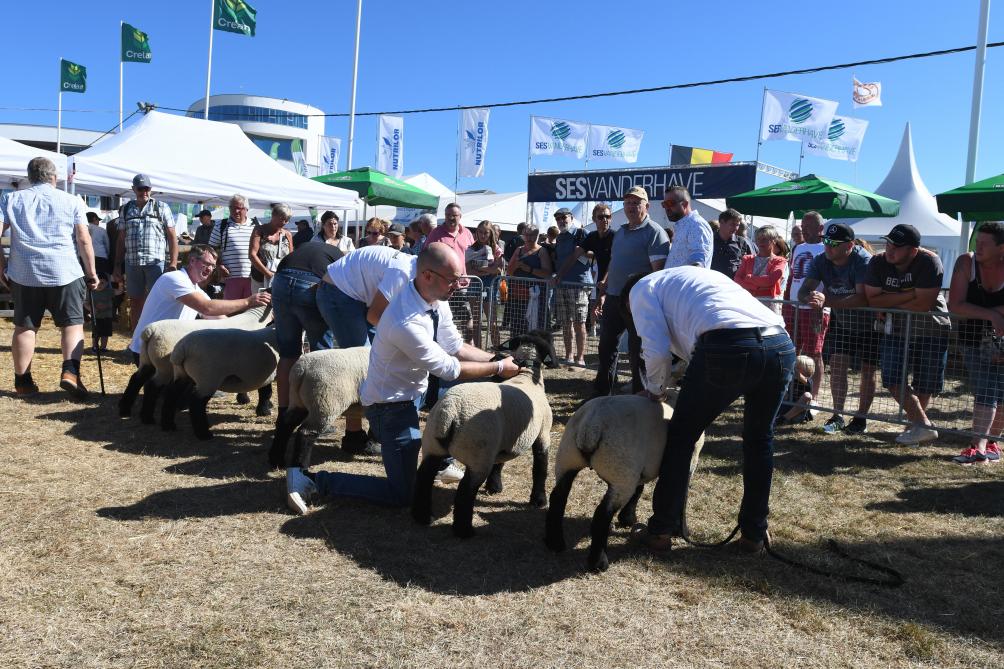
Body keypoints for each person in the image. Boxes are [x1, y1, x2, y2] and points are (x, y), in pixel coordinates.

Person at [285, 243, 522, 513]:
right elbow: (448, 368)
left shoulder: (434, 300)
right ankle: (315, 480)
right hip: (389, 408)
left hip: (409, 397)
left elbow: (455, 346)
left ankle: (439, 464)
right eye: (453, 279)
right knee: (403, 494)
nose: (459, 286)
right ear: (428, 276)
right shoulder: (404, 320)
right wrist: (499, 368)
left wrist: (496, 358)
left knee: (419, 461)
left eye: (460, 279)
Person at [626, 266, 795, 554]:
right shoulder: (697, 277)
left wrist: (656, 390)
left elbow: (655, 350)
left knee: (681, 437)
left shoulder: (641, 288)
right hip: (779, 343)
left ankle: (662, 530)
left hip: (727, 345)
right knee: (759, 441)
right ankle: (754, 533)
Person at [0, 157, 98, 398]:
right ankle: (70, 372)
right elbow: (84, 240)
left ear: (29, 177)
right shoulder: (71, 200)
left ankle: (23, 382)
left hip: (25, 273)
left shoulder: (10, 199)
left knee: (25, 327)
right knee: (72, 324)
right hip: (64, 271)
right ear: (54, 178)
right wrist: (92, 273)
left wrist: (1, 267)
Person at [864, 224, 951, 446]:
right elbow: (872, 300)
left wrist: (890, 298)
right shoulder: (878, 261)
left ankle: (915, 428)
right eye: (889, 244)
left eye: (897, 247)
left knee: (925, 382)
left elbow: (923, 305)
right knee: (892, 378)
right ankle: (923, 425)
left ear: (913, 250)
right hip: (898, 328)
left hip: (932, 327)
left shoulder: (929, 261)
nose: (890, 250)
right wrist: (910, 294)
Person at [798, 223, 878, 435]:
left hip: (871, 324)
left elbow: (863, 298)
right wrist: (812, 298)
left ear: (850, 245)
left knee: (868, 371)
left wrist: (826, 300)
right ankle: (838, 415)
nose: (828, 247)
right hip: (843, 322)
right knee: (838, 365)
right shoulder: (821, 260)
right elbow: (802, 292)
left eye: (833, 244)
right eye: (826, 242)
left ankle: (861, 418)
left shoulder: (862, 260)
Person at [128, 244, 271, 361]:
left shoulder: (196, 290)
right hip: (147, 352)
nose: (209, 269)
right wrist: (248, 302)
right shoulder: (173, 278)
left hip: (166, 350)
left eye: (213, 266)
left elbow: (219, 318)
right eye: (206, 263)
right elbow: (207, 308)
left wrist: (246, 334)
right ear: (191, 261)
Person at [592, 186, 669, 397]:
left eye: (636, 202)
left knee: (638, 352)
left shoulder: (655, 233)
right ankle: (602, 393)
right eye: (627, 203)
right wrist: (603, 292)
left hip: (639, 302)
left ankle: (640, 396)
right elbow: (615, 263)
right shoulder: (621, 232)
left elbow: (658, 274)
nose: (631, 207)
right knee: (606, 347)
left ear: (647, 205)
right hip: (614, 298)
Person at [270, 238, 345, 432]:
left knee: (288, 353)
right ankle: (318, 416)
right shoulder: (340, 256)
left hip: (281, 280)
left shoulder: (304, 249)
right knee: (320, 355)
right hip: (310, 282)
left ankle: (284, 414)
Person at [948, 221, 1004, 464]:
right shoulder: (966, 262)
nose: (977, 247)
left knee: (1000, 393)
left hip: (1002, 338)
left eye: (984, 243)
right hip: (971, 338)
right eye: (976, 241)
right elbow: (955, 305)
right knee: (986, 387)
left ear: (1001, 248)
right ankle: (977, 446)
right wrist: (993, 314)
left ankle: (992, 442)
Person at [317, 245, 416, 348]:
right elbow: (374, 316)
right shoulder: (402, 273)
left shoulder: (414, 267)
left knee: (380, 348)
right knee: (362, 355)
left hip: (357, 294)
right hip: (338, 291)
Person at [114, 174, 179, 331]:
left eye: (146, 188)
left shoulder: (162, 207)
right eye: (140, 188)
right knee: (135, 302)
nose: (144, 191)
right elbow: (121, 239)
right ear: (133, 189)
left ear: (151, 189)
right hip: (132, 262)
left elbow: (172, 237)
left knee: (158, 301)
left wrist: (173, 262)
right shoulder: (126, 209)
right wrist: (116, 265)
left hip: (155, 262)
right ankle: (136, 340)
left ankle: (157, 336)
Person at [783, 211, 828, 407]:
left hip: (814, 308)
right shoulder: (797, 247)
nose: (804, 230)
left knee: (814, 353)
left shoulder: (826, 248)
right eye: (803, 226)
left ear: (820, 228)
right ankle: (794, 391)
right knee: (791, 349)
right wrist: (786, 301)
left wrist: (823, 302)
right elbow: (793, 276)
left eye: (808, 227)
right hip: (794, 306)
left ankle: (815, 397)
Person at [551, 208, 591, 365]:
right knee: (566, 322)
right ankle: (569, 356)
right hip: (562, 284)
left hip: (579, 284)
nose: (561, 220)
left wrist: (581, 253)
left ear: (571, 217)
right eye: (558, 218)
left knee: (579, 322)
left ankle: (580, 358)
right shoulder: (560, 237)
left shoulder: (582, 233)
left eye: (563, 217)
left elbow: (595, 254)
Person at [506, 223, 552, 334]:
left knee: (535, 327)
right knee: (517, 327)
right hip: (518, 296)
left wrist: (529, 269)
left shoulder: (542, 251)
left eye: (533, 235)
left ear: (538, 236)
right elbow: (509, 271)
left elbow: (547, 274)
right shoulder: (519, 250)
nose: (529, 238)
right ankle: (516, 350)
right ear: (523, 236)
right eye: (527, 235)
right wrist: (516, 266)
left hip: (536, 297)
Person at [208, 194, 256, 300]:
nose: (236, 211)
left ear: (246, 209)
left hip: (252, 278)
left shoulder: (255, 225)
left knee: (249, 312)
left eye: (239, 208)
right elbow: (210, 249)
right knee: (231, 311)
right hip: (230, 277)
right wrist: (219, 265)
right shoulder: (221, 225)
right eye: (232, 208)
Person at [465, 220, 504, 348]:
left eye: (486, 233)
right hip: (475, 285)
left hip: (489, 286)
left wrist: (481, 269)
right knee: (477, 322)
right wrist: (488, 270)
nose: (482, 235)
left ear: (491, 233)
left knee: (492, 322)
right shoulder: (471, 249)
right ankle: (478, 351)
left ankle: (497, 350)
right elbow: (468, 270)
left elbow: (498, 270)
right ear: (476, 233)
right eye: (480, 232)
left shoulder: (496, 249)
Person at [734, 225, 788, 304]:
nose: (760, 242)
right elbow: (737, 279)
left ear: (774, 241)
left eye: (764, 239)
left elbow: (770, 280)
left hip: (769, 303)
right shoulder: (747, 259)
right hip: (748, 300)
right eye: (758, 239)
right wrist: (756, 287)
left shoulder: (780, 261)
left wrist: (749, 278)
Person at [662, 186, 712, 269]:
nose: (666, 208)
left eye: (670, 203)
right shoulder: (684, 225)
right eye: (664, 204)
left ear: (684, 204)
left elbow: (698, 263)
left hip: (687, 281)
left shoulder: (696, 224)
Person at [248, 203, 295, 291]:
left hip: (280, 278)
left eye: (287, 220)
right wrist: (268, 274)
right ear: (273, 215)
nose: (284, 222)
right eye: (281, 219)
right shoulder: (259, 230)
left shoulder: (288, 234)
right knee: (260, 303)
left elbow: (290, 258)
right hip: (260, 278)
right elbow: (252, 255)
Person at [710, 208, 753, 278]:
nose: (735, 228)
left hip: (733, 284)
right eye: (732, 224)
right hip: (713, 282)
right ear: (722, 222)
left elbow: (751, 262)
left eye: (737, 225)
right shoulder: (710, 240)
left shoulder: (741, 242)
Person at [86, 212, 111, 276]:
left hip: (85, 258)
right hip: (100, 258)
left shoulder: (83, 230)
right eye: (98, 220)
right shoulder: (101, 230)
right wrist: (108, 256)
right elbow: (107, 246)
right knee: (103, 281)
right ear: (94, 219)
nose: (98, 222)